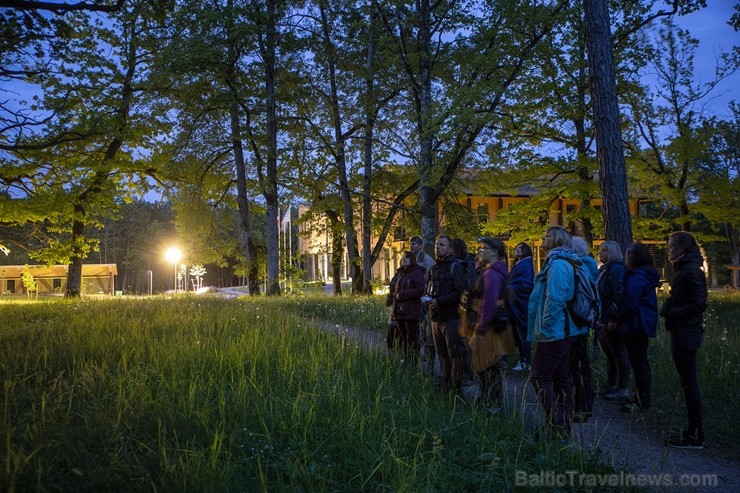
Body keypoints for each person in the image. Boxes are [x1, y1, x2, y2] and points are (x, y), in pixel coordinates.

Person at [528, 226, 587, 438]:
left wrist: (546, 325)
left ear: (558, 240)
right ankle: (563, 426)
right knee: (561, 376)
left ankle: (558, 424)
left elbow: (556, 298)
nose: (543, 238)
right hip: (563, 329)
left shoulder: (559, 264)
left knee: (539, 376)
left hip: (556, 331)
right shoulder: (560, 262)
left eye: (548, 236)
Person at [662, 232, 708, 449]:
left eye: (671, 246)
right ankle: (693, 432)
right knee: (687, 384)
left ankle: (696, 436)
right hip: (682, 329)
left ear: (683, 249)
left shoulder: (690, 271)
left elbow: (700, 304)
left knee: (689, 385)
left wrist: (674, 312)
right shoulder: (683, 269)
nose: (668, 250)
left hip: (686, 332)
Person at [616, 243, 660, 413]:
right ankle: (641, 396)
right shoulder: (642, 275)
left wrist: (619, 318)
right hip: (640, 322)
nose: (625, 259)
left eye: (628, 255)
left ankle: (643, 400)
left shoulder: (637, 277)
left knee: (639, 362)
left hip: (636, 324)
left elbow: (631, 303)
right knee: (639, 362)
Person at [470, 237, 511, 411]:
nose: (480, 251)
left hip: (489, 329)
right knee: (491, 367)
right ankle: (493, 402)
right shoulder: (499, 271)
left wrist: (479, 331)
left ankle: (491, 405)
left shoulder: (491, 274)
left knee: (486, 366)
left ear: (494, 252)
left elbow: (488, 304)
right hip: (498, 326)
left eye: (483, 248)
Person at [424, 235, 468, 390]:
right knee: (441, 353)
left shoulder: (455, 267)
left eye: (442, 245)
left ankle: (457, 387)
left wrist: (440, 301)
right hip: (435, 317)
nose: (438, 247)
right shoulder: (434, 268)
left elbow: (461, 292)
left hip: (451, 318)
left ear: (450, 249)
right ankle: (445, 382)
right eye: (437, 244)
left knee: (455, 354)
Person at [595, 241, 630, 401]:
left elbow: (619, 294)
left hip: (611, 319)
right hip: (604, 318)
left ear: (612, 252)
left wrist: (613, 318)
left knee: (618, 352)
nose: (600, 253)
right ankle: (611, 383)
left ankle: (622, 387)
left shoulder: (616, 270)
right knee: (610, 353)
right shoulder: (605, 270)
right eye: (600, 250)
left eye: (604, 251)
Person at [569, 237, 597, 423]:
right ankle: (583, 404)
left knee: (578, 366)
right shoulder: (589, 266)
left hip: (577, 325)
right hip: (584, 324)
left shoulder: (580, 268)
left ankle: (582, 406)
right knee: (581, 365)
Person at [391, 251, 425, 365]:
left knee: (412, 337)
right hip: (400, 310)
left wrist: (404, 294)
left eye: (407, 258)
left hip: (411, 310)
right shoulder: (401, 273)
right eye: (403, 258)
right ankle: (406, 358)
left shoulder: (416, 273)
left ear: (412, 260)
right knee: (403, 337)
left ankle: (413, 360)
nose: (404, 260)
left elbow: (420, 290)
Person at [411, 235, 436, 376]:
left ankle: (429, 363)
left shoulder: (427, 260)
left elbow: (430, 278)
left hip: (425, 300)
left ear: (421, 245)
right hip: (415, 301)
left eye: (414, 244)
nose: (411, 246)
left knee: (427, 332)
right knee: (418, 331)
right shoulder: (410, 258)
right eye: (410, 244)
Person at [508, 242, 534, 372]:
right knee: (519, 333)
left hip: (521, 303)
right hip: (516, 302)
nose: (517, 250)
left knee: (523, 333)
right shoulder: (519, 264)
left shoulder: (526, 264)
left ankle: (526, 360)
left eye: (520, 248)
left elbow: (527, 285)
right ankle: (522, 359)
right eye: (516, 248)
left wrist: (509, 288)